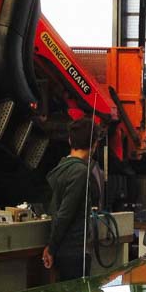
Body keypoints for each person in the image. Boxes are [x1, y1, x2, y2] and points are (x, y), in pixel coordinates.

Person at [43, 117, 101, 282]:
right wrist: (51, 248)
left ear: (70, 140)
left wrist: (52, 246)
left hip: (62, 251)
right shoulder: (80, 172)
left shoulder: (59, 169)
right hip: (74, 252)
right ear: (95, 144)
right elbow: (65, 214)